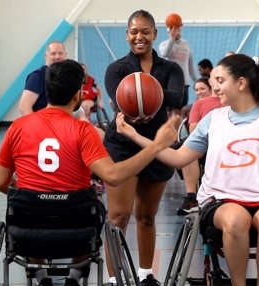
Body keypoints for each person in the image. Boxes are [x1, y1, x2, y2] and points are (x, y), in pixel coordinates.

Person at [116, 54, 259, 285]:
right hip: (222, 199)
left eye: (221, 81)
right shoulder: (213, 119)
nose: (215, 87)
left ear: (241, 83)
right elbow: (179, 157)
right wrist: (135, 136)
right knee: (235, 220)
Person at [0, 59, 179, 286]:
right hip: (76, 233)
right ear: (77, 95)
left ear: (46, 90)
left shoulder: (17, 128)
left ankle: (40, 275)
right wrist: (156, 146)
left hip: (28, 233)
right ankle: (75, 275)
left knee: (28, 207)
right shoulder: (83, 131)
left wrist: (31, 195)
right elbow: (113, 176)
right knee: (92, 206)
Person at [103, 10, 185, 285]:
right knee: (118, 217)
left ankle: (145, 275)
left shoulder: (171, 68)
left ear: (154, 34)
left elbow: (178, 95)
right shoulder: (116, 68)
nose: (140, 37)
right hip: (123, 145)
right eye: (134, 31)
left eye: (145, 31)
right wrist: (147, 95)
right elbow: (119, 99)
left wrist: (148, 94)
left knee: (147, 216)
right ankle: (114, 279)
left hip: (157, 146)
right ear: (127, 34)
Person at [178, 74, 223, 214]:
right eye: (196, 90)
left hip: (225, 143)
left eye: (201, 89)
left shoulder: (232, 101)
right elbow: (194, 130)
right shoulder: (199, 104)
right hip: (206, 143)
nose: (199, 92)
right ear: (211, 81)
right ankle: (191, 196)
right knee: (188, 149)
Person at [18, 41, 67, 116]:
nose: (57, 57)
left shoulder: (66, 76)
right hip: (42, 124)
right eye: (53, 53)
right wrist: (36, 126)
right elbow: (24, 107)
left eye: (60, 53)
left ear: (65, 55)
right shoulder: (37, 76)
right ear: (46, 56)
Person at [159, 13, 196, 109]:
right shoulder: (164, 44)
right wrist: (172, 38)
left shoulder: (186, 44)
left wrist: (196, 79)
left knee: (182, 110)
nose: (177, 33)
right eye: (175, 31)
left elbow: (190, 64)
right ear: (169, 31)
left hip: (185, 83)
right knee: (171, 111)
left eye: (179, 30)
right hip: (171, 83)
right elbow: (165, 53)